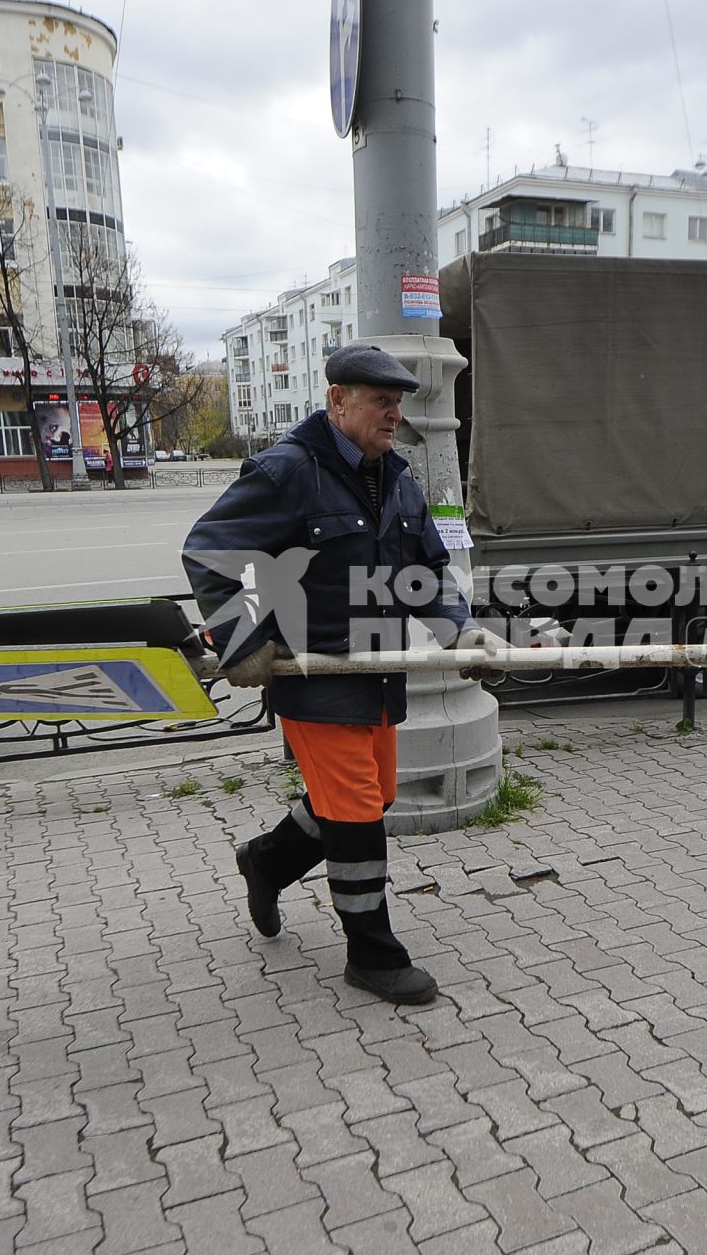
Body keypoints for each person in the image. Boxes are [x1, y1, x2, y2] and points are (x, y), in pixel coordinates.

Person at [182, 343, 504, 1005]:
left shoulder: (398, 478)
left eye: (399, 403)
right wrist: (242, 640)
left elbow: (424, 575)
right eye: (381, 401)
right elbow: (209, 552)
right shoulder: (287, 472)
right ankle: (372, 954)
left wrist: (460, 632)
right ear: (338, 401)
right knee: (357, 813)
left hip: (378, 672)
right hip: (314, 672)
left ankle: (266, 860)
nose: (394, 415)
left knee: (374, 795)